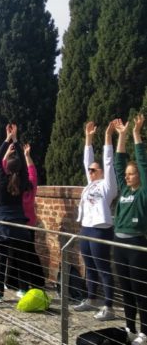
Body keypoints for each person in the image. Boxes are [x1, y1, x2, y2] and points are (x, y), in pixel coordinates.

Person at [73, 121, 117, 321]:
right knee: (89, 266)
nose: (90, 172)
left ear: (101, 173)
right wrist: (88, 137)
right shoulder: (89, 185)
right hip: (86, 229)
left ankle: (109, 306)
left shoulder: (107, 186)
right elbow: (86, 160)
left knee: (103, 268)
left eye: (93, 170)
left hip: (100, 229)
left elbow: (108, 161)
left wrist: (108, 137)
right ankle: (91, 299)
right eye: (89, 170)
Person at [0, 124, 32, 304]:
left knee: (1, 260)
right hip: (19, 225)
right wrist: (16, 139)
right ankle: (23, 289)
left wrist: (7, 138)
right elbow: (24, 167)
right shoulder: (23, 181)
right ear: (20, 169)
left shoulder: (1, 178)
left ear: (7, 168)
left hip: (3, 225)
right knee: (22, 259)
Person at [112, 114, 147, 344]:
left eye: (131, 173)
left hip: (136, 244)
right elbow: (118, 163)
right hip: (118, 242)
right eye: (127, 174)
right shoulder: (124, 190)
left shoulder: (143, 192)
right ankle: (129, 327)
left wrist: (135, 134)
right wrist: (121, 136)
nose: (127, 176)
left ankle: (144, 331)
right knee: (125, 289)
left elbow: (142, 164)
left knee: (139, 289)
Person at [2, 143, 45, 295]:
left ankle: (14, 282)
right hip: (30, 223)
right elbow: (33, 172)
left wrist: (7, 152)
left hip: (16, 223)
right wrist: (27, 156)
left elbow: (1, 167)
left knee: (15, 254)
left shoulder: (9, 185)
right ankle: (37, 280)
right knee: (29, 252)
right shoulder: (30, 186)